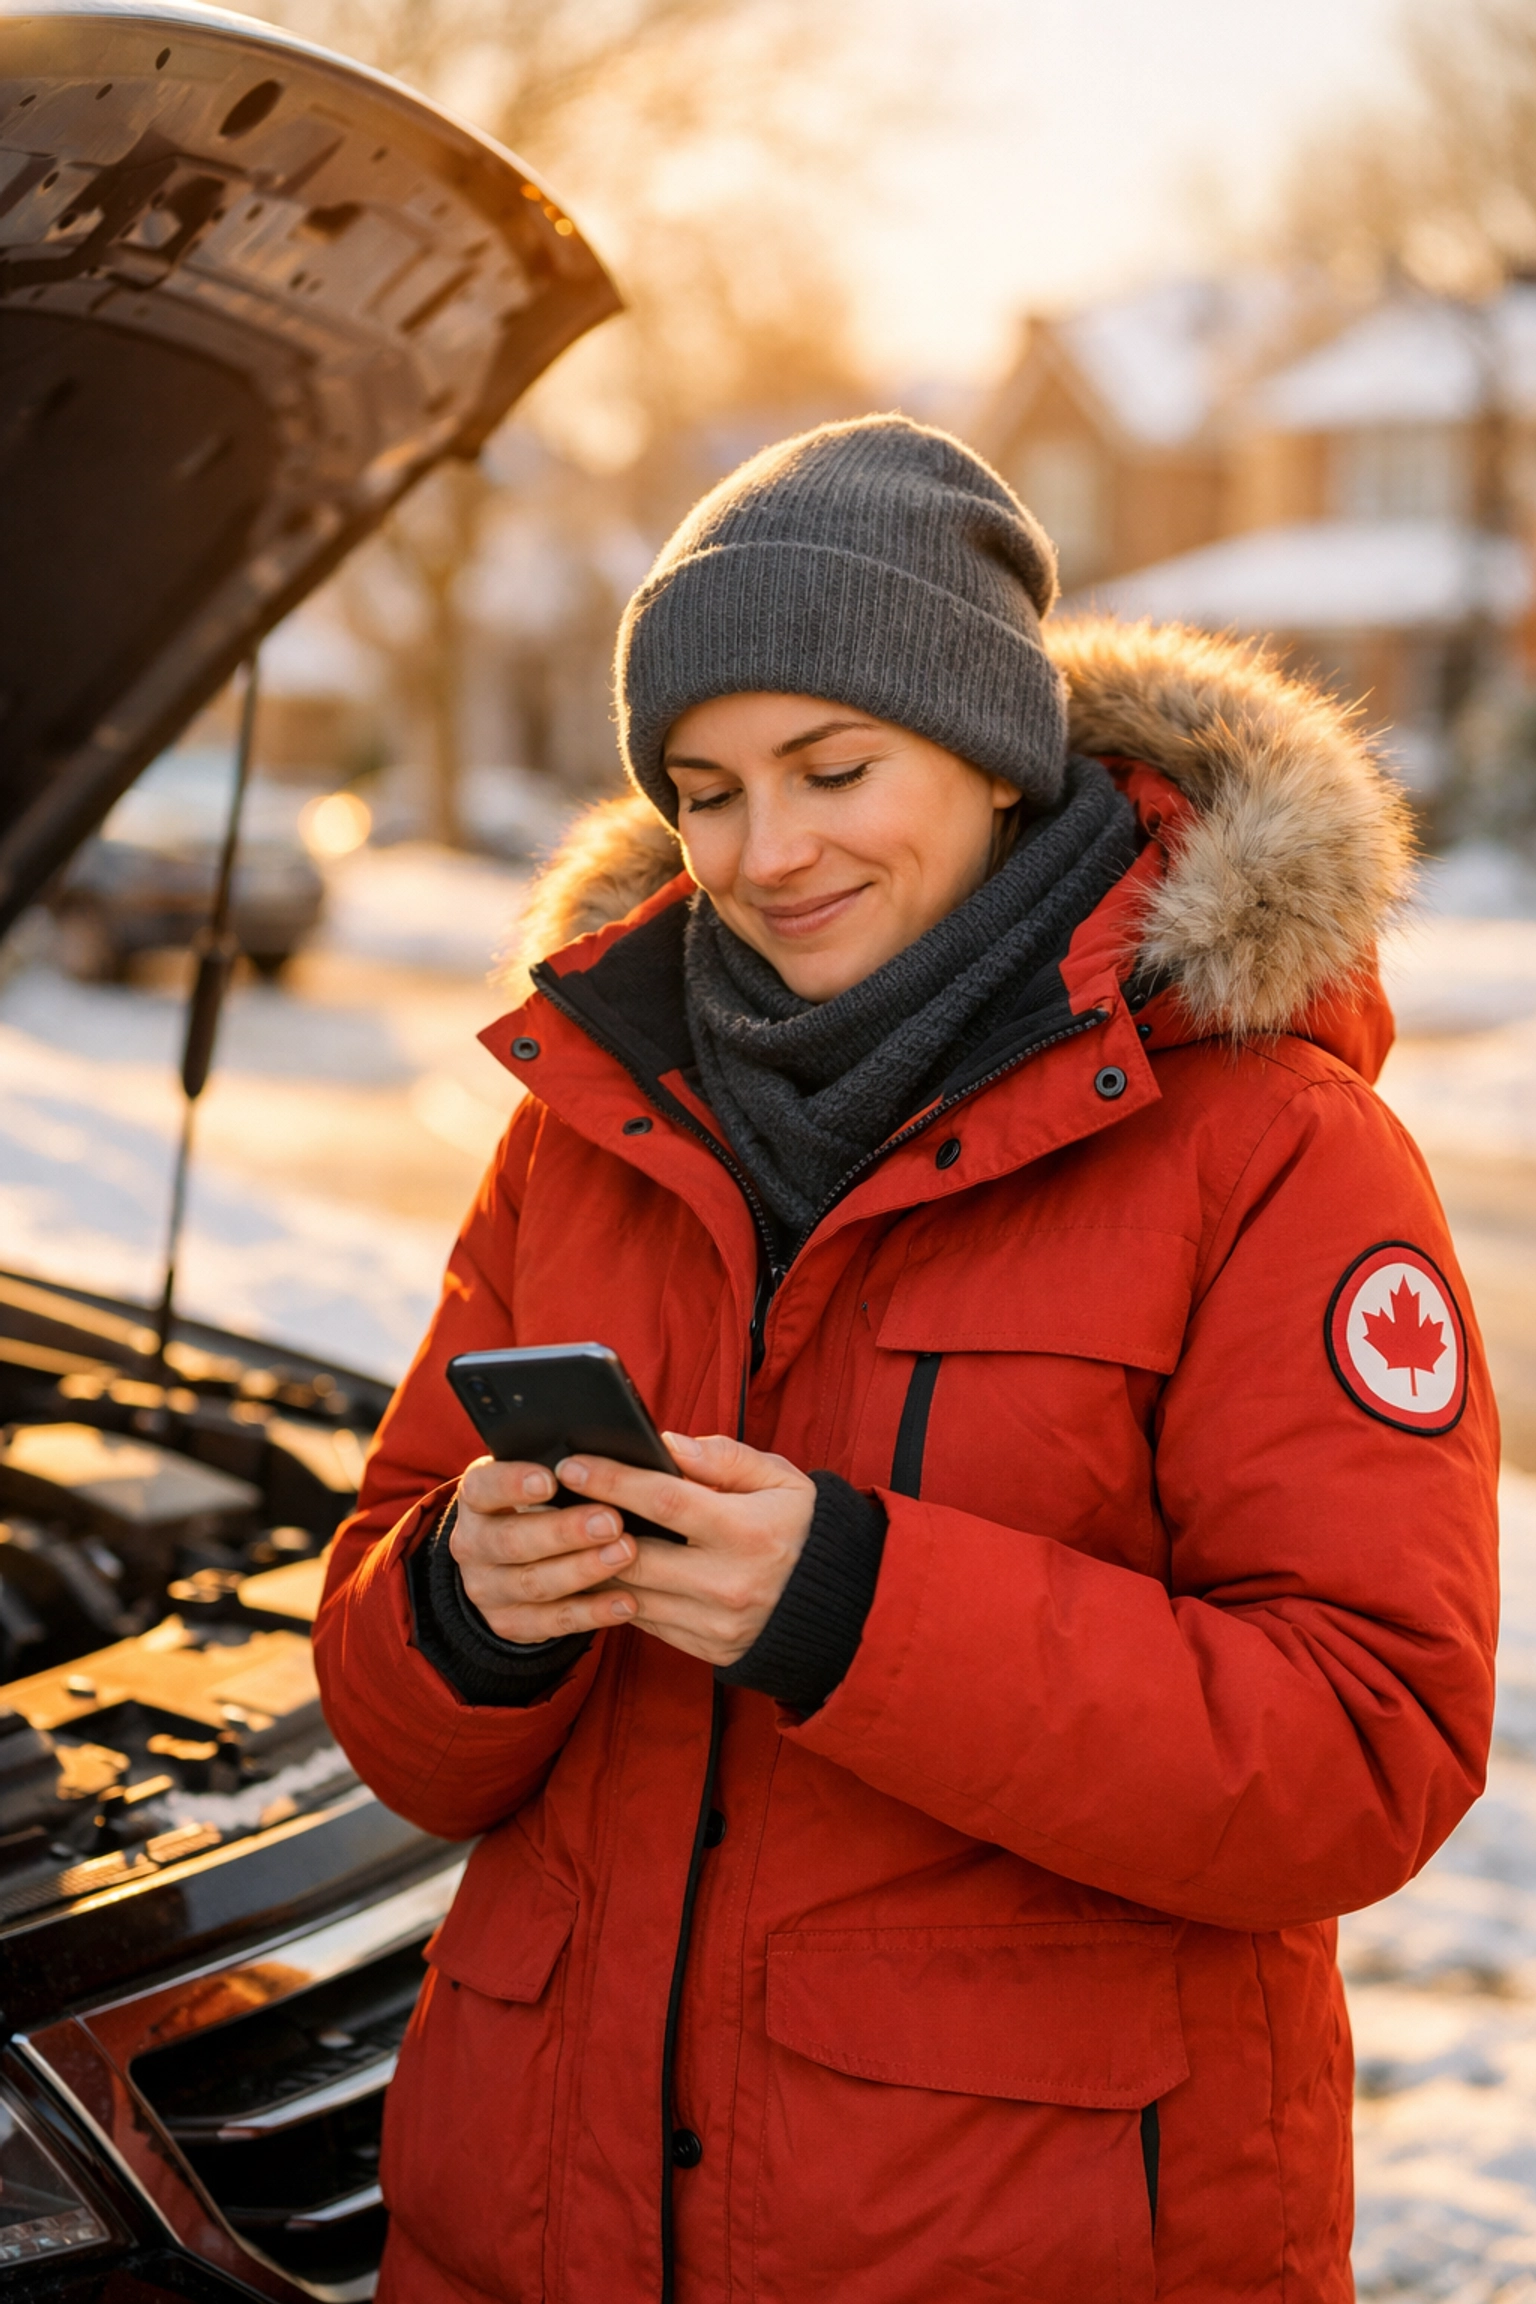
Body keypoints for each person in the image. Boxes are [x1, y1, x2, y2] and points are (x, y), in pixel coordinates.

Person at [316, 415, 1499, 2304]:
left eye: (833, 766)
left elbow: (1365, 1752)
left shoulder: (1272, 1148)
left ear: (992, 753)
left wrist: (855, 1606)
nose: (764, 854)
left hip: (1013, 2236)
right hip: (535, 2227)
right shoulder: (590, 1116)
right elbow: (389, 1711)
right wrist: (467, 1607)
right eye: (703, 790)